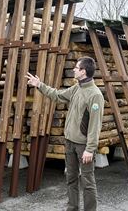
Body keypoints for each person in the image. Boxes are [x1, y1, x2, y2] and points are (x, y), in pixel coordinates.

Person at [26, 56, 104, 211]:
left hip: (83, 147)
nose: (74, 69)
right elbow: (57, 95)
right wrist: (39, 85)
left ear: (83, 71)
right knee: (71, 178)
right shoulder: (77, 88)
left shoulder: (95, 95)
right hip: (69, 142)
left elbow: (95, 125)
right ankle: (72, 208)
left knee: (88, 182)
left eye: (76, 67)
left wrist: (90, 148)